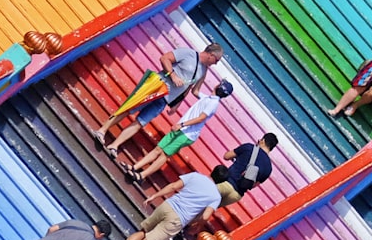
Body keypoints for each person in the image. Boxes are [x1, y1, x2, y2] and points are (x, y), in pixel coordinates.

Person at [93, 43, 224, 157]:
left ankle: (115, 145)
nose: (216, 63)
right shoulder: (188, 53)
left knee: (141, 122)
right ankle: (102, 130)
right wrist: (172, 75)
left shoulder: (203, 71)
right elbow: (165, 58)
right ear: (211, 54)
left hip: (166, 99)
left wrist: (178, 104)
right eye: (216, 60)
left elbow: (190, 88)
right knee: (129, 109)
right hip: (157, 86)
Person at [108, 166, 227, 240]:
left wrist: (154, 196)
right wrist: (197, 226)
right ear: (222, 182)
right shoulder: (215, 196)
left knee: (144, 231)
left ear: (213, 171)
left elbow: (173, 186)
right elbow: (206, 216)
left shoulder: (196, 176)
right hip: (178, 219)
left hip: (167, 205)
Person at [119, 80, 233, 183]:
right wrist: (201, 76)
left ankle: (142, 175)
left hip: (187, 133)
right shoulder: (208, 98)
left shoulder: (213, 103)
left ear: (218, 86)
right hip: (182, 129)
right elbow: (195, 91)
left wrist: (182, 124)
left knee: (164, 154)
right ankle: (134, 167)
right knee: (158, 148)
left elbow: (201, 118)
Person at [216, 133, 279, 207]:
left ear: (263, 141)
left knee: (201, 201)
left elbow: (226, 156)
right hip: (236, 195)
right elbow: (253, 185)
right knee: (209, 210)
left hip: (226, 183)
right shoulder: (269, 168)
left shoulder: (249, 147)